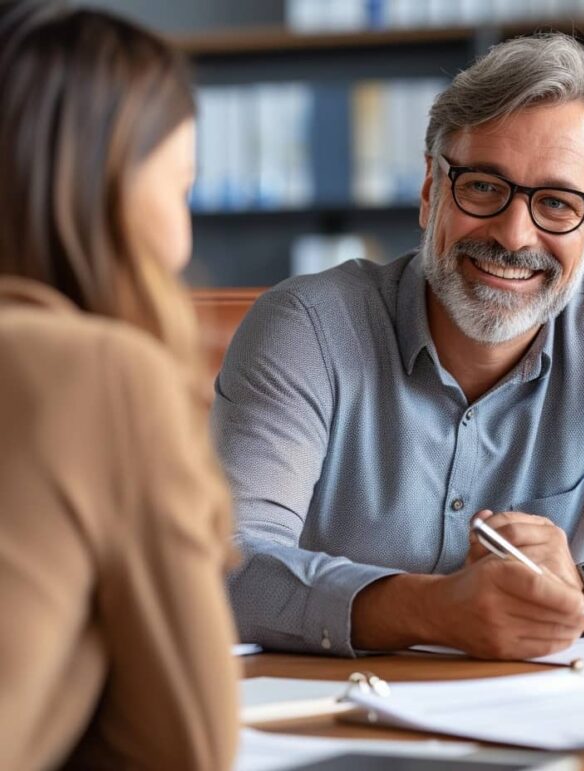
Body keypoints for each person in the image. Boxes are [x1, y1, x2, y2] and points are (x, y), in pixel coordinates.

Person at [215, 32, 584, 660]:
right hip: (327, 715)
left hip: (533, 718)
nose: (512, 233)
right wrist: (429, 609)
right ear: (431, 191)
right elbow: (227, 565)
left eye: (556, 203)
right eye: (481, 187)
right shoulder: (307, 326)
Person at [0, 4, 238, 769]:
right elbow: (190, 749)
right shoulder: (103, 375)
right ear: (102, 186)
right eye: (181, 188)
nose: (184, 239)